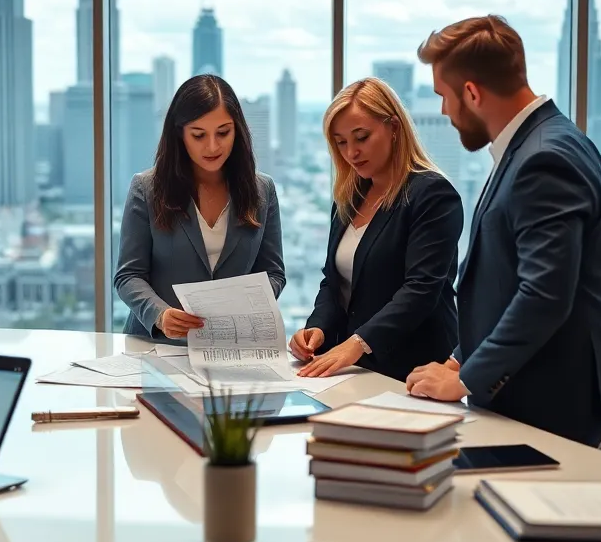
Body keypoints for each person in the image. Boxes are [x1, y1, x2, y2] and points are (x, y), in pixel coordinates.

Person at [403, 15, 601, 542]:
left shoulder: (545, 158)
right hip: (539, 388)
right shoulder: (547, 141)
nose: (443, 110)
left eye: (445, 96)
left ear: (473, 92)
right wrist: (460, 355)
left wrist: (467, 379)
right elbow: (516, 279)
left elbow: (545, 295)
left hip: (550, 399)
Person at [290, 78, 462, 381]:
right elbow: (334, 282)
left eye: (362, 137)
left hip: (414, 370)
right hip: (354, 369)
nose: (351, 152)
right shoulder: (349, 196)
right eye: (341, 142)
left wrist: (357, 343)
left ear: (394, 127)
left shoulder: (432, 194)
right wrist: (316, 328)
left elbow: (421, 290)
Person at [115, 74, 285, 341]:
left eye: (223, 132)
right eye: (198, 135)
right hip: (157, 344)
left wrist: (241, 302)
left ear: (237, 131)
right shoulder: (146, 188)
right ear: (180, 134)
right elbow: (128, 275)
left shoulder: (263, 190)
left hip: (232, 346)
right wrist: (159, 314)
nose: (212, 146)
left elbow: (274, 273)